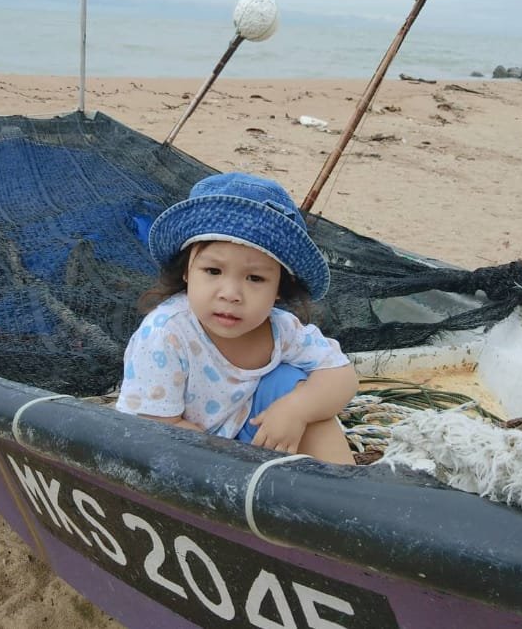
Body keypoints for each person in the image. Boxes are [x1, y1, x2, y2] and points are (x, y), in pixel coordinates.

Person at [116, 172, 358, 465]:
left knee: (292, 384)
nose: (231, 294)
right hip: (175, 451)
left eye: (255, 278)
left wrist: (296, 409)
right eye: (213, 272)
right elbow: (157, 429)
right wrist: (235, 467)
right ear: (186, 271)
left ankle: (348, 494)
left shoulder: (280, 329)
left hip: (248, 437)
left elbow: (341, 375)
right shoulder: (166, 333)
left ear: (279, 288)